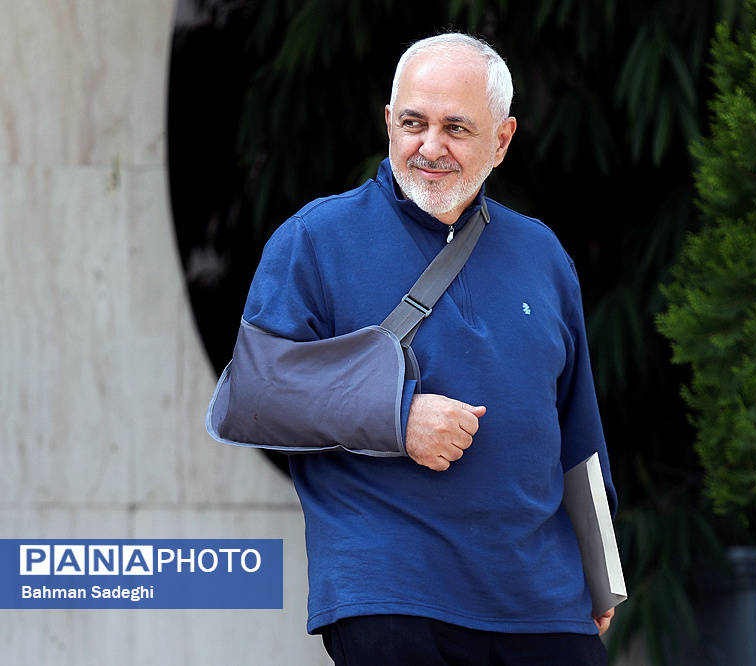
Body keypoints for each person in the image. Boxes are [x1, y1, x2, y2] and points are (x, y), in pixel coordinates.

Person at [209, 32, 618, 665]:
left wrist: (601, 574)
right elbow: (253, 396)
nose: (430, 146)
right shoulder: (315, 239)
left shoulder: (543, 254)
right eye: (413, 123)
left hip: (544, 604)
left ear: (502, 140)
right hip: (392, 598)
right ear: (388, 124)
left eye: (456, 128)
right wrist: (397, 417)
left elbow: (578, 433)